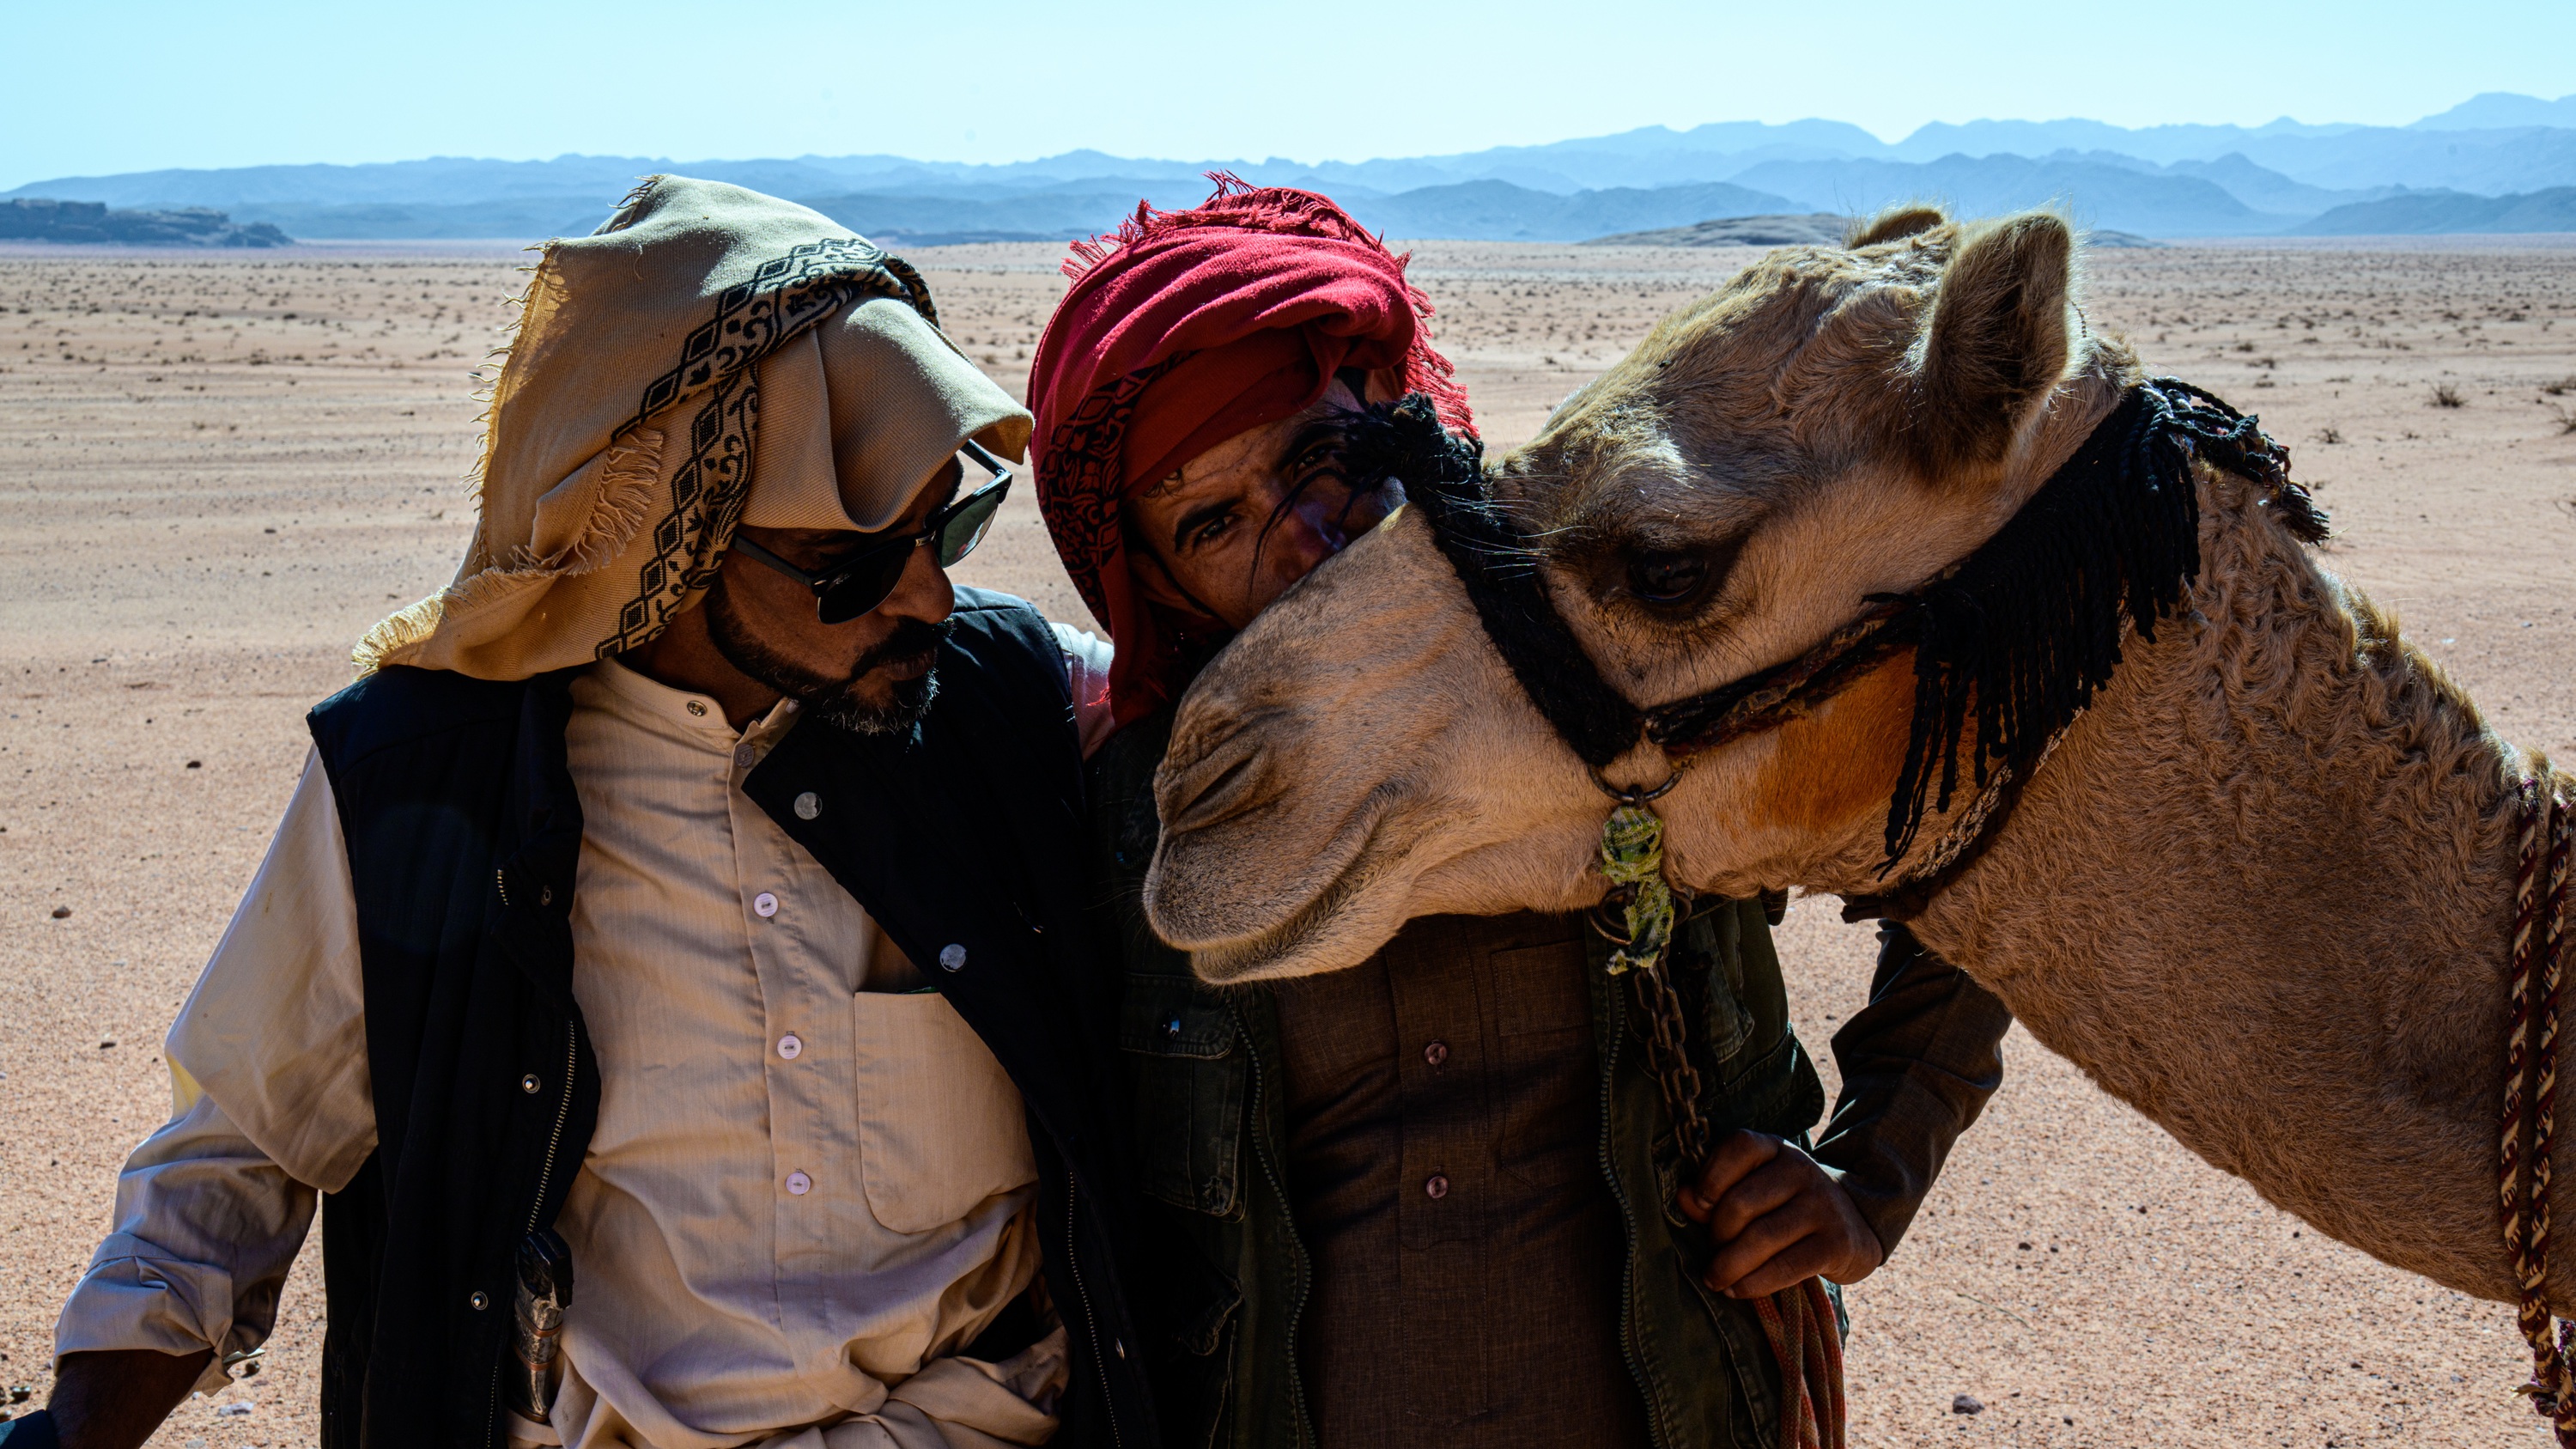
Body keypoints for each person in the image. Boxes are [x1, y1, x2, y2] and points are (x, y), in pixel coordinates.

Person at [12, 179, 1155, 1449]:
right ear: (674, 536)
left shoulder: (1014, 708)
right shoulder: (431, 783)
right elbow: (240, 1147)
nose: (929, 597)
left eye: (950, 523)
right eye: (852, 566)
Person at [1028, 179, 2017, 1449]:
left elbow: (1967, 822)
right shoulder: (1145, 815)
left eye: (1317, 456)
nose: (1306, 538)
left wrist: (1870, 1172)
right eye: (1212, 521)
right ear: (1155, 578)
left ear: (1390, 412)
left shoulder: (1627, 654)